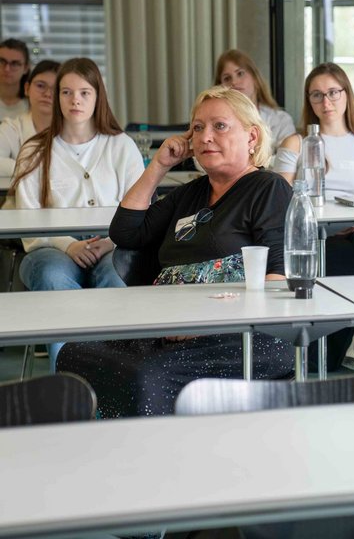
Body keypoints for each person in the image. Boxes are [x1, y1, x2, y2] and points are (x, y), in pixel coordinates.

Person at [56, 86, 294, 417]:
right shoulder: (190, 193)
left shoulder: (268, 189)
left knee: (146, 376)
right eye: (197, 127)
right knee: (74, 354)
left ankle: (157, 449)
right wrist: (159, 165)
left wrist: (204, 323)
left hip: (238, 333)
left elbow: (277, 281)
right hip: (168, 327)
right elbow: (125, 233)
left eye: (220, 126)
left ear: (251, 137)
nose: (205, 136)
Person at [11, 57, 144, 372]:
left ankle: (115, 375)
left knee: (118, 276)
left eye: (85, 92)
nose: (75, 100)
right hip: (50, 247)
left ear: (98, 96)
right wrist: (68, 244)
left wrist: (110, 241)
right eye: (67, 92)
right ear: (57, 97)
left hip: (112, 244)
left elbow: (140, 208)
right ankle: (69, 379)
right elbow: (27, 221)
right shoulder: (34, 150)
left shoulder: (121, 145)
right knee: (53, 277)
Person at [273, 62, 354, 373]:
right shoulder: (296, 143)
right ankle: (352, 340)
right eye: (316, 95)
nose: (325, 102)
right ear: (309, 101)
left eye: (332, 93)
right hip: (311, 241)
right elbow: (278, 202)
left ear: (346, 95)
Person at [215, 49, 298, 155]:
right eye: (227, 78)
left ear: (255, 78)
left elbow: (288, 160)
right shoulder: (215, 122)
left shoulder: (281, 120)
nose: (234, 82)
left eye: (240, 73)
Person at [0, 59, 60, 175]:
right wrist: (36, 170)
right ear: (27, 89)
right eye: (40, 86)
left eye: (56, 89)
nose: (47, 94)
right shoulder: (12, 128)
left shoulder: (73, 132)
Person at [0, 38, 30, 120]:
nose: (7, 69)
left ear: (26, 68)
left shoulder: (33, 104)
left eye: (15, 64)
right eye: (2, 61)